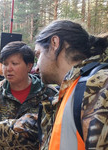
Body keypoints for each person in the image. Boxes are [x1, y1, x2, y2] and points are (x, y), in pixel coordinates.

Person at [34, 20, 108, 150]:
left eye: (38, 54)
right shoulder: (70, 91)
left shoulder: (100, 85)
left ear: (54, 43)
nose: (36, 68)